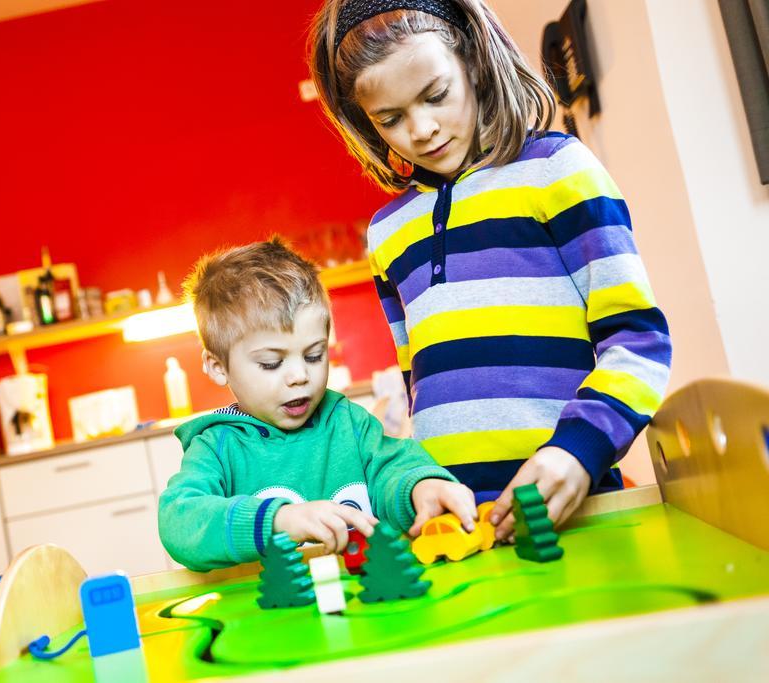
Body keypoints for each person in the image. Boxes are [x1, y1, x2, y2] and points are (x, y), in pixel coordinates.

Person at [307, 0, 672, 542]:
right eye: (390, 119)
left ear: (474, 62)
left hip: (570, 507)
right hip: (457, 528)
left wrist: (578, 451)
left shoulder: (556, 170)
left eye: (436, 95)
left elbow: (638, 340)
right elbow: (418, 384)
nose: (422, 129)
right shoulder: (386, 232)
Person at [158, 238, 474, 571]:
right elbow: (179, 521)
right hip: (275, 619)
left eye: (313, 355)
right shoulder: (217, 446)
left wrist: (421, 488)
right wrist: (278, 519)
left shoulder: (347, 422)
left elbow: (393, 469)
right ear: (218, 367)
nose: (299, 376)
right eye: (271, 363)